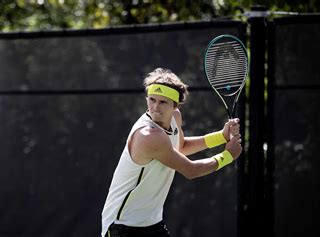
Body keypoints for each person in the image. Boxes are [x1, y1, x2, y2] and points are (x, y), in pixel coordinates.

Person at [101, 68, 242, 237]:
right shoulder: (148, 136)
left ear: (175, 105)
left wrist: (221, 136)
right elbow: (191, 170)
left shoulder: (175, 117)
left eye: (163, 102)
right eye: (152, 100)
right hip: (123, 226)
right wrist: (227, 156)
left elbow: (179, 147)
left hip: (152, 222)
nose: (155, 107)